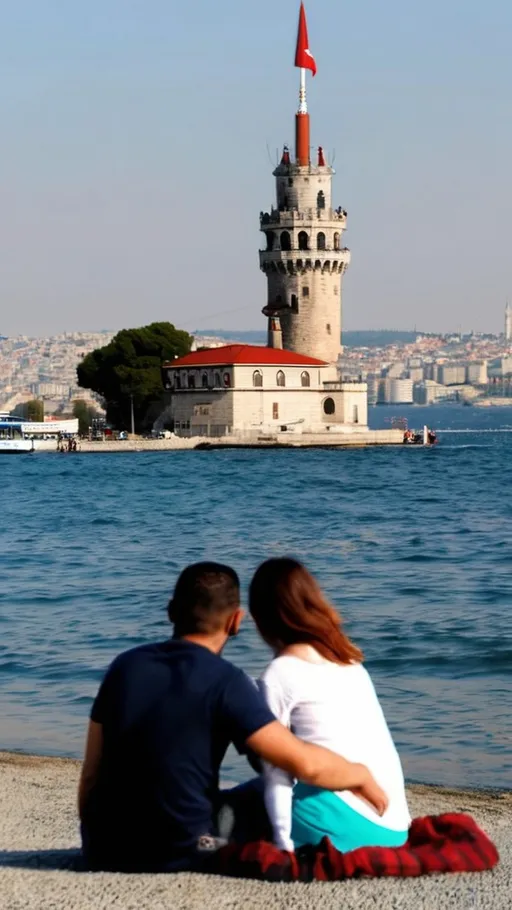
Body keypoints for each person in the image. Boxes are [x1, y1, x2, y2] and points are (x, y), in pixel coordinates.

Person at [79, 562, 388, 872]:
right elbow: (304, 763)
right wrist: (359, 774)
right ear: (236, 621)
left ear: (171, 611)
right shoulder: (227, 682)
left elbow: (91, 772)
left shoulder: (123, 666)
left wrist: (96, 838)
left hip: (101, 846)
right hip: (183, 848)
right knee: (258, 795)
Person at [250, 558, 411, 854]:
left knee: (245, 805)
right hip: (394, 826)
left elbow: (273, 766)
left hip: (347, 828)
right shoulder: (349, 662)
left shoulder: (279, 674)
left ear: (259, 618)